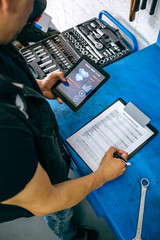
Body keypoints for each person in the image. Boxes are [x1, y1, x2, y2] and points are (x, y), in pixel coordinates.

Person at [0, 1, 127, 240]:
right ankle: (68, 235)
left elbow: (7, 78)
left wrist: (37, 88)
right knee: (59, 211)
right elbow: (44, 201)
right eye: (31, 9)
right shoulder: (3, 129)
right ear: (6, 4)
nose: (33, 18)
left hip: (39, 152)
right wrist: (102, 175)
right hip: (37, 186)